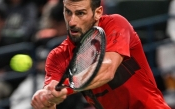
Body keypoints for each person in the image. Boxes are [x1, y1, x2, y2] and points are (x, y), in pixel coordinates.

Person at [31, 0, 171, 109]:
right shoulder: (57, 56)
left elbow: (106, 70)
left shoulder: (116, 24)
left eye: (80, 13)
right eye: (68, 12)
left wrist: (67, 87)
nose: (72, 22)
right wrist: (44, 99)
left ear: (97, 12)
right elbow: (52, 94)